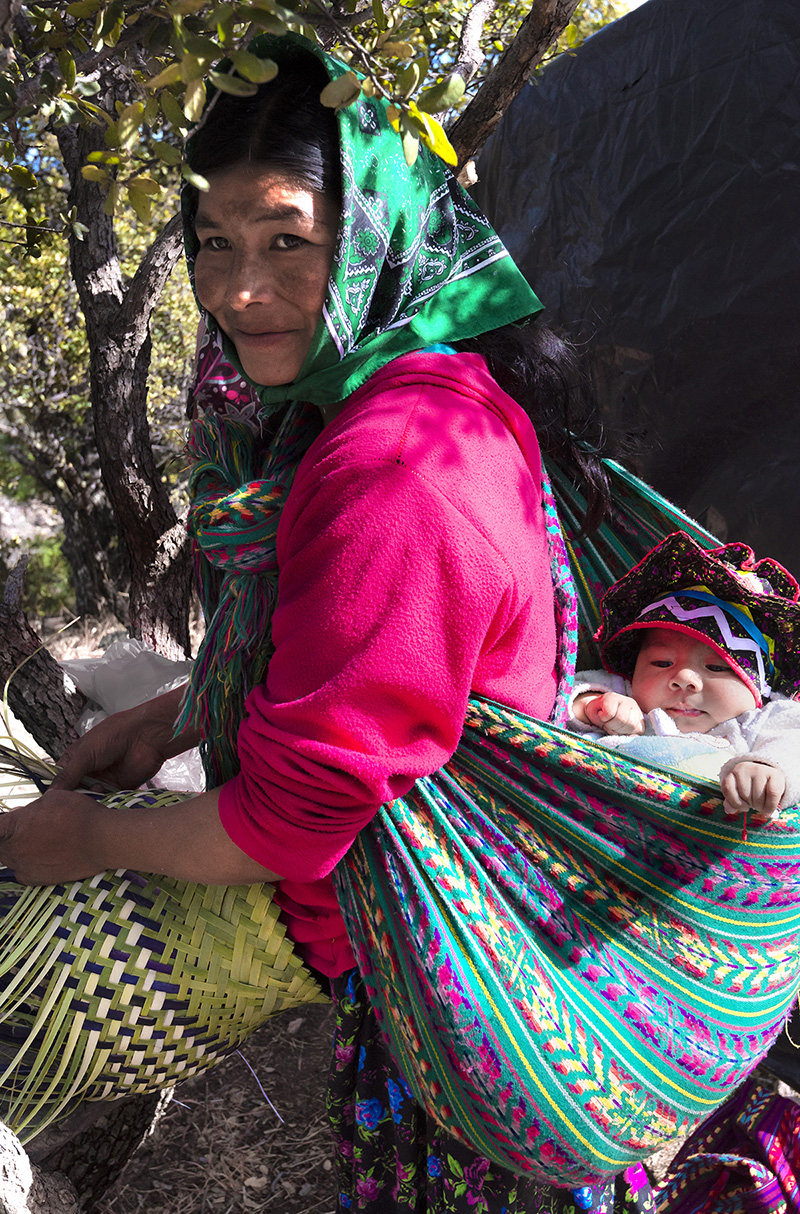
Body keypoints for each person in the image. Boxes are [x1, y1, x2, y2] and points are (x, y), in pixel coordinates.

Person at [0, 33, 654, 1214]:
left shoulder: (396, 463)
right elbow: (381, 665)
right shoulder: (414, 391)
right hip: (452, 950)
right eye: (213, 242)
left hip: (451, 999)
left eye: (287, 240)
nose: (238, 290)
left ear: (372, 237)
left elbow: (289, 826)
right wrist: (173, 715)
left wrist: (85, 839)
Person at [568, 530, 800, 821]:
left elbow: (793, 741)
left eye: (716, 667)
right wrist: (593, 706)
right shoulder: (625, 693)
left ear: (759, 689)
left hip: (696, 837)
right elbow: (566, 693)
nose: (685, 678)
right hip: (592, 817)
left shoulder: (759, 721)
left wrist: (768, 770)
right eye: (662, 662)